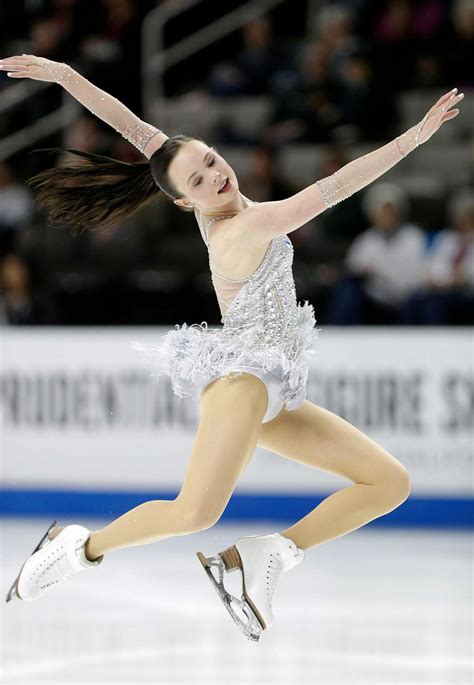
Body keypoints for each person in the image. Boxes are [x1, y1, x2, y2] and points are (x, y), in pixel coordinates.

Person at [0, 54, 462, 642]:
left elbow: (138, 133)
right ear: (183, 203)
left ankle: (266, 555)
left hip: (270, 389)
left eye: (213, 162)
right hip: (242, 383)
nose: (217, 176)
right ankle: (78, 548)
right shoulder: (248, 224)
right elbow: (338, 185)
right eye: (199, 181)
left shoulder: (219, 206)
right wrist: (416, 136)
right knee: (195, 512)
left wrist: (67, 77)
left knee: (388, 483)